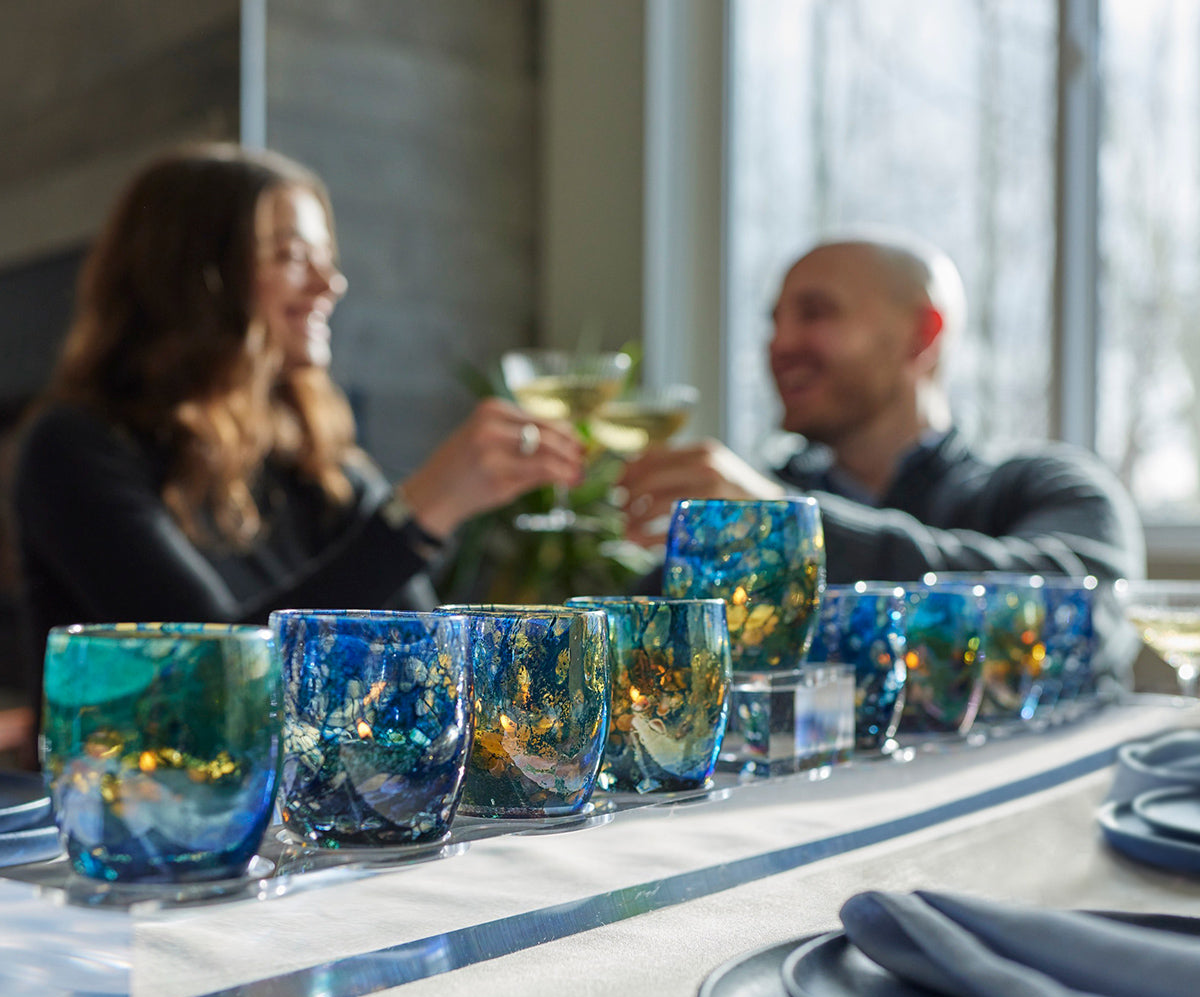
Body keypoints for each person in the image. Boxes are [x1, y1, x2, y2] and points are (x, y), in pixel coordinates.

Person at [14, 143, 582, 696]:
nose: (328, 286)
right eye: (290, 257)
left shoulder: (318, 461)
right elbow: (216, 678)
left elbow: (431, 660)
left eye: (325, 259)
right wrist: (420, 514)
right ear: (192, 280)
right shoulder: (74, 447)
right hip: (140, 791)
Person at [619, 233, 1145, 593]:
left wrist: (786, 527)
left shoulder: (1046, 488)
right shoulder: (738, 511)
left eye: (815, 313)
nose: (778, 344)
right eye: (775, 321)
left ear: (924, 333)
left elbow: (1081, 609)